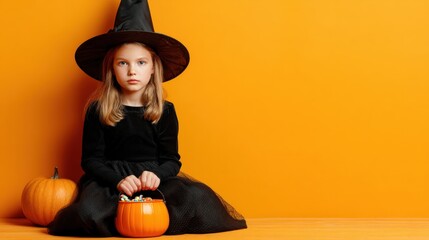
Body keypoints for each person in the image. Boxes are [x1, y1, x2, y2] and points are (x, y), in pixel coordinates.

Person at [47, 0, 246, 236]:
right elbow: (91, 161)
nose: (132, 71)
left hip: (151, 180)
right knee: (86, 214)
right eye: (123, 63)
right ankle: (122, 219)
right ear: (111, 68)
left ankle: (146, 218)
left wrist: (156, 176)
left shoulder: (165, 110)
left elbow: (172, 160)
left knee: (196, 197)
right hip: (112, 181)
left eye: (141, 63)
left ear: (153, 67)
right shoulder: (98, 109)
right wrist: (118, 180)